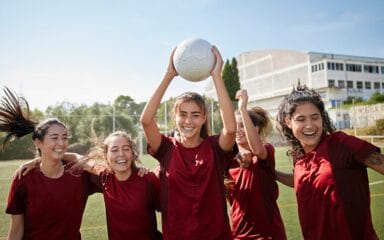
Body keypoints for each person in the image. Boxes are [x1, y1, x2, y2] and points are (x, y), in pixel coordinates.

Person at [140, 46, 236, 239]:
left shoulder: (215, 147)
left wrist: (217, 75)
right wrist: (169, 75)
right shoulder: (166, 148)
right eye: (182, 115)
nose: (188, 121)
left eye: (195, 115)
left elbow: (231, 129)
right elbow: (146, 121)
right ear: (174, 117)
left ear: (204, 118)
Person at [275, 84, 384, 240]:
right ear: (288, 122)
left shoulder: (341, 144)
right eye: (301, 119)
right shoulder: (298, 158)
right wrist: (271, 171)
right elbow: (300, 180)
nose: (309, 125)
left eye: (315, 117)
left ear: (322, 117)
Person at [15, 131, 162, 240]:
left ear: (133, 153)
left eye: (126, 148)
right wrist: (38, 160)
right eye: (114, 150)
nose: (121, 154)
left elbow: (169, 213)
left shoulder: (147, 179)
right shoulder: (104, 176)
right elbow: (76, 158)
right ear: (106, 156)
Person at [1, 87, 95, 240]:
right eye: (54, 137)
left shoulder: (78, 173)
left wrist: (67, 156)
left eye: (64, 137)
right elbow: (16, 231)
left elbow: (98, 165)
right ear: (38, 143)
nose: (61, 142)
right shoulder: (23, 178)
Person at [225, 89, 287, 240]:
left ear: (256, 129)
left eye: (242, 125)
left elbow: (257, 149)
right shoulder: (228, 162)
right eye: (235, 126)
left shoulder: (265, 151)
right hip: (239, 236)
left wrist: (242, 109)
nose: (237, 130)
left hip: (268, 235)